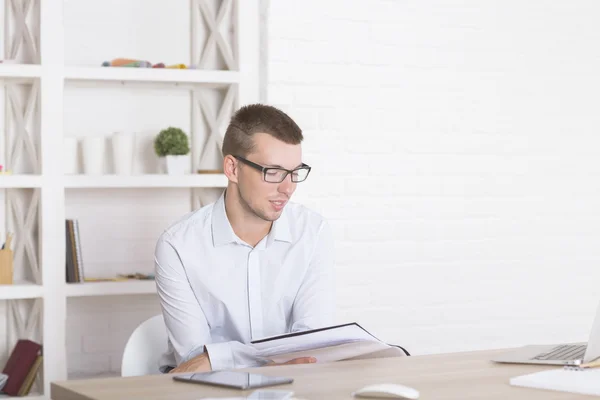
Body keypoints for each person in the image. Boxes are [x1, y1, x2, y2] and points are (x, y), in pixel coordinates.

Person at [154, 103, 336, 374]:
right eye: (272, 172)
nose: (288, 188)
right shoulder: (178, 246)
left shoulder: (313, 233)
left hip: (289, 387)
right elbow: (193, 361)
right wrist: (274, 359)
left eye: (295, 172)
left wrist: (220, 356)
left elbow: (310, 346)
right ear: (232, 168)